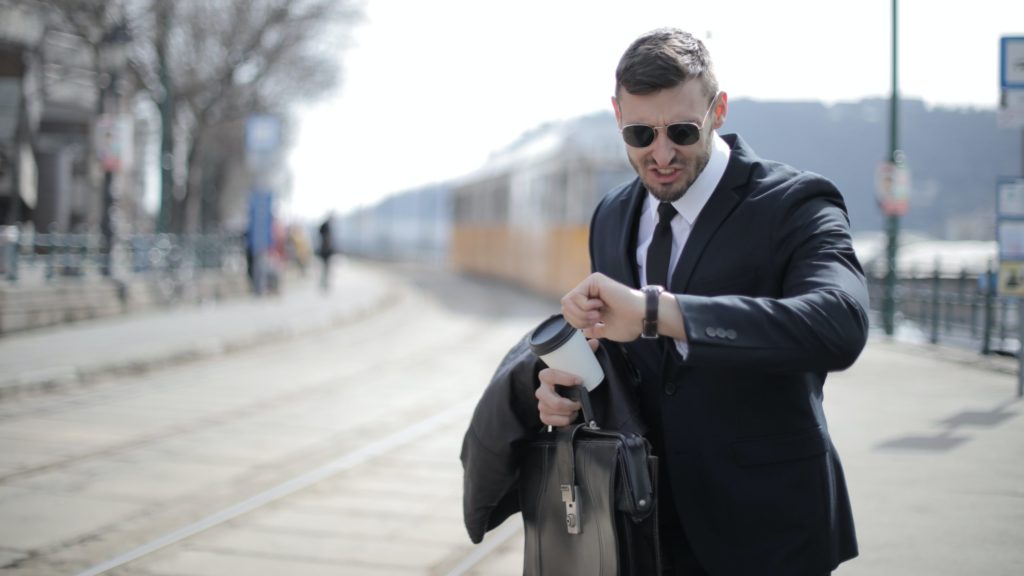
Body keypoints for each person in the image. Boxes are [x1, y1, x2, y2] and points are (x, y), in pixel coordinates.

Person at [534, 28, 869, 575]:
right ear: (616, 114)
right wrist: (565, 390)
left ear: (719, 110)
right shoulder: (611, 216)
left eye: (683, 131)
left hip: (767, 531)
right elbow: (624, 361)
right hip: (640, 528)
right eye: (640, 133)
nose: (661, 153)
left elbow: (839, 324)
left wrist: (659, 312)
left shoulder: (796, 203)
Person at [317, 213, 334, 291]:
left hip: (325, 252)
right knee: (325, 268)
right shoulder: (327, 227)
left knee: (325, 268)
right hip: (325, 252)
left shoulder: (325, 226)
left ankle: (324, 283)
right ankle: (324, 283)